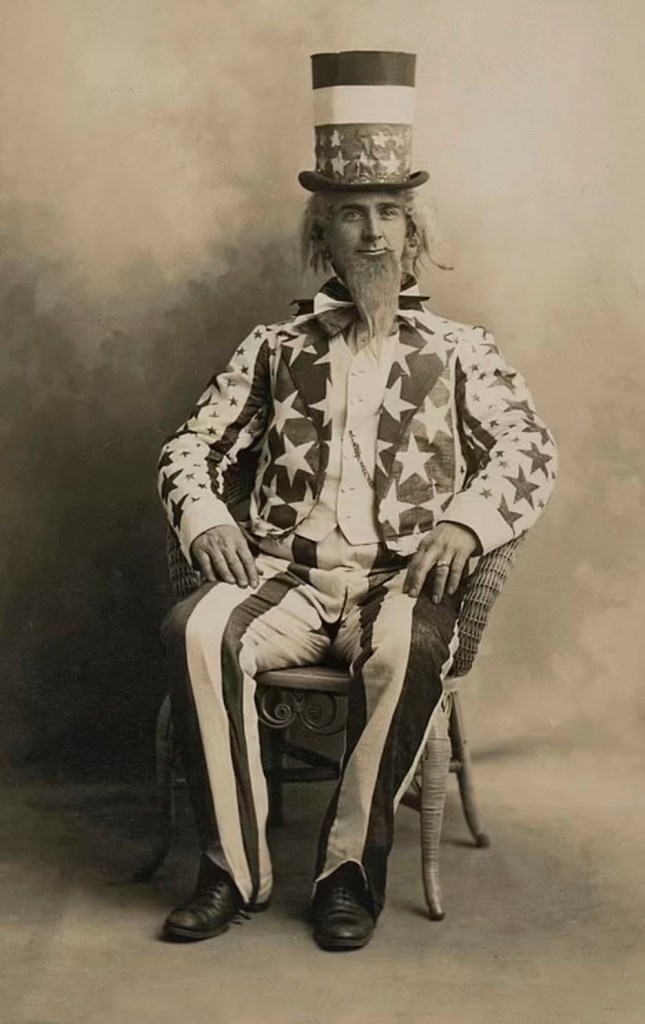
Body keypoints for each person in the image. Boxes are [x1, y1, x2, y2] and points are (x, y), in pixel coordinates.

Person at [157, 50, 556, 951]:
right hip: (286, 578)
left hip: (399, 578)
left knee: (410, 644)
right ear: (320, 239)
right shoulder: (273, 346)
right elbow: (190, 445)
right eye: (349, 218)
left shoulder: (462, 350)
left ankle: (346, 876)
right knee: (193, 628)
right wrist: (207, 516)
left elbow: (531, 450)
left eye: (388, 216)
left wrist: (465, 521)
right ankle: (231, 870)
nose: (372, 235)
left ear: (413, 236)